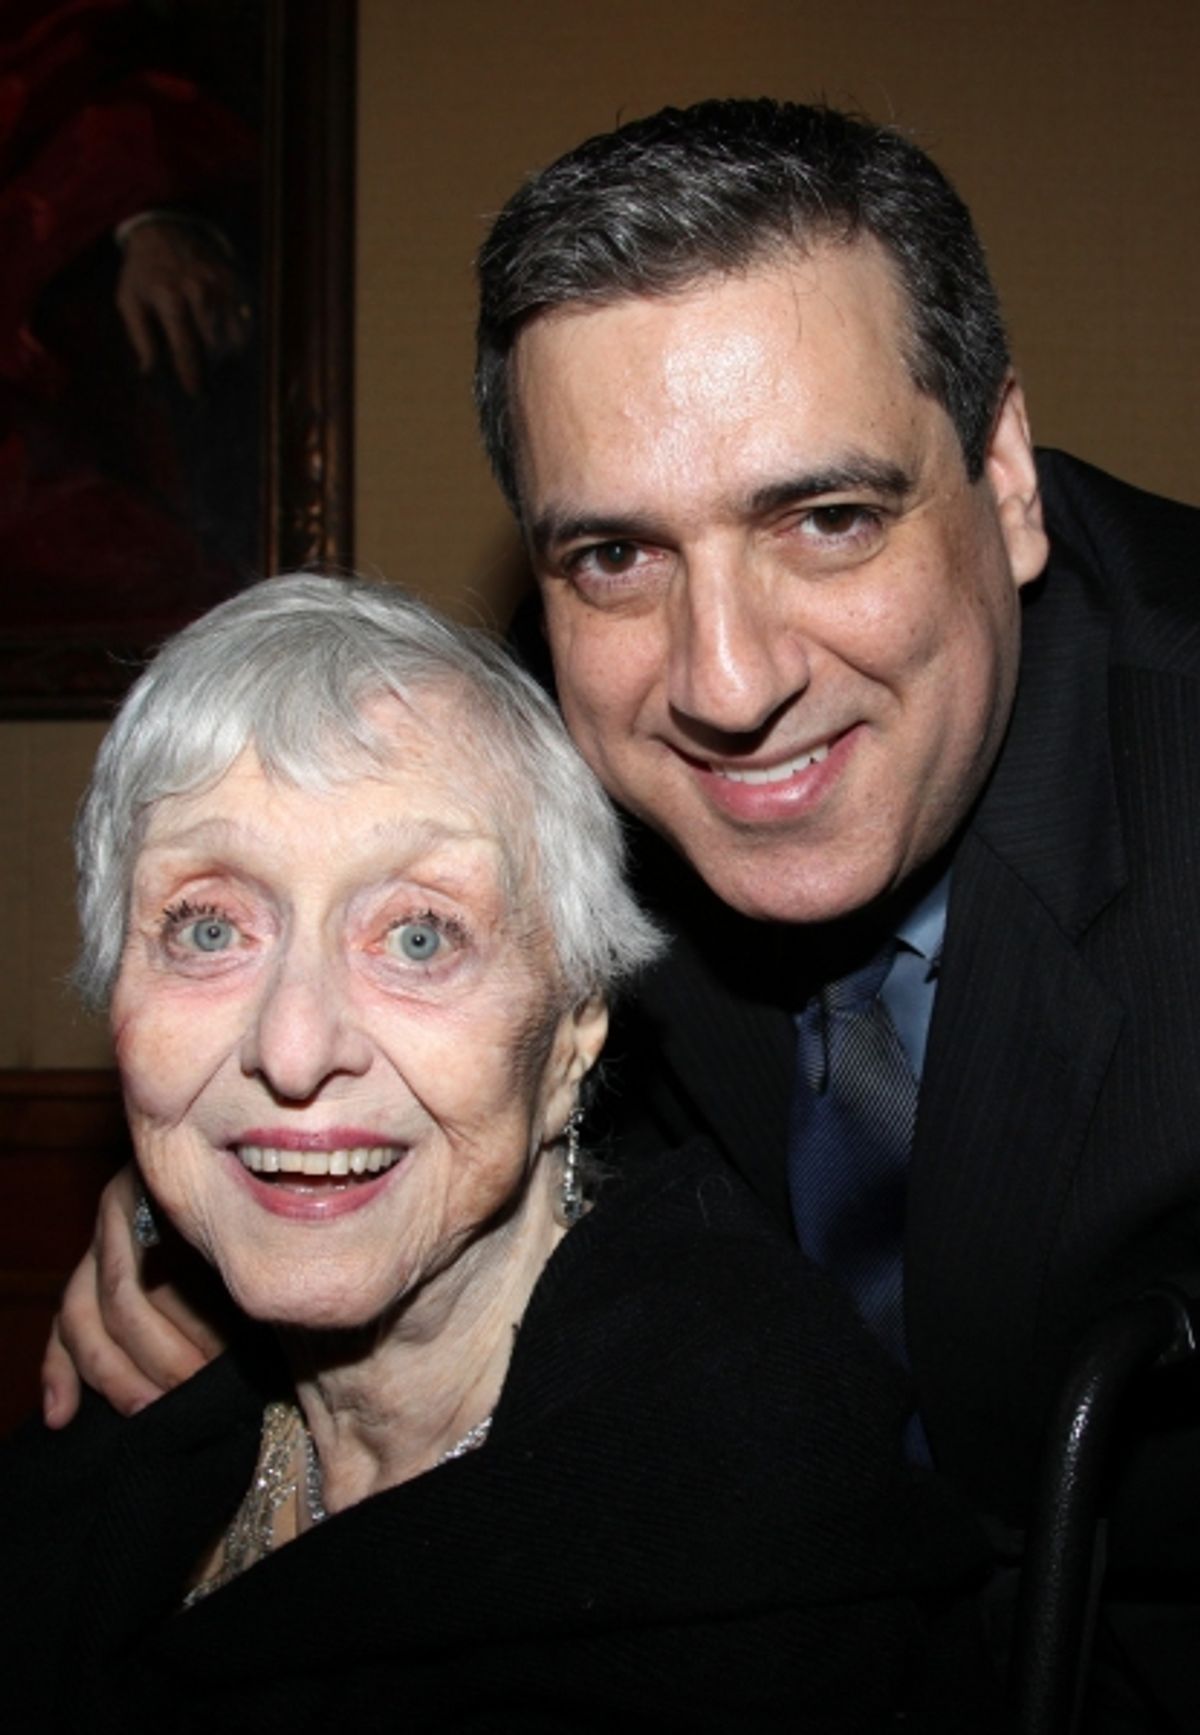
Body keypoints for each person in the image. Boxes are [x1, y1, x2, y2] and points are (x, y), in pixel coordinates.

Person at [45, 101, 1200, 1726]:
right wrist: (200, 1200)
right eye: (614, 555)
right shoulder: (543, 775)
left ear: (1003, 477)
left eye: (828, 518)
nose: (726, 684)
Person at [2, 573, 996, 1731]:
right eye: (210, 927)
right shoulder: (127, 1415)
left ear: (575, 1032)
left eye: (419, 935)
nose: (291, 1044)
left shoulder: (737, 1531)